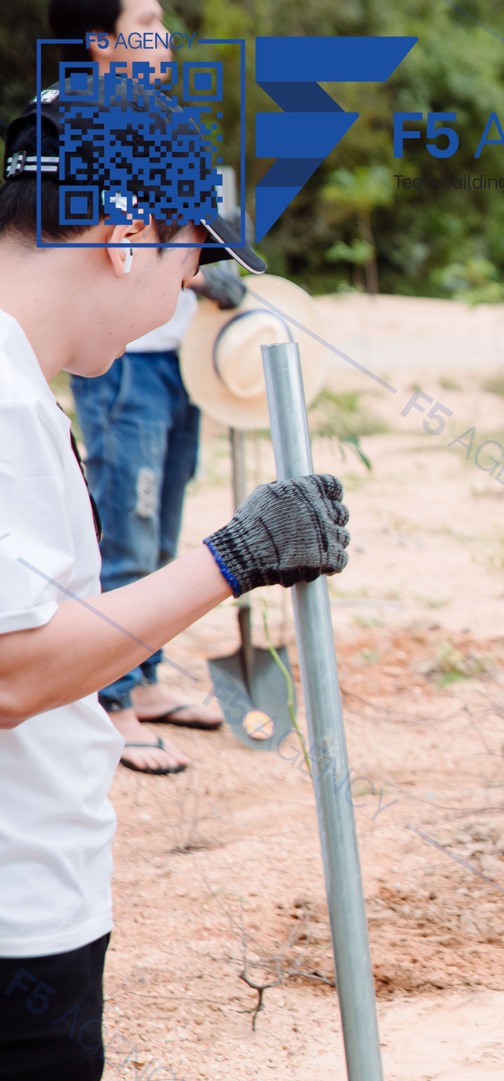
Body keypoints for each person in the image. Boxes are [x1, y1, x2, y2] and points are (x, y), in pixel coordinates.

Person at [0, 84, 349, 1081]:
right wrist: (232, 559)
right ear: (128, 235)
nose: (180, 300)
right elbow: (13, 673)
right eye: (191, 260)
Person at [48, 0, 253, 775]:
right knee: (126, 518)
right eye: (147, 22)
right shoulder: (79, 127)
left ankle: (148, 672)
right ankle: (113, 698)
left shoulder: (163, 121)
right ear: (100, 42)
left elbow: (200, 223)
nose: (163, 39)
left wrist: (212, 270)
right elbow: (108, 241)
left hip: (178, 350)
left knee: (164, 507)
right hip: (120, 356)